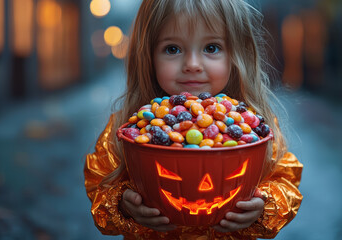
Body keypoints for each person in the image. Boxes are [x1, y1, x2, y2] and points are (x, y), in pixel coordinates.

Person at [84, 0, 303, 239]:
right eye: (172, 49)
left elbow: (286, 179)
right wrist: (123, 206)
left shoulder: (252, 125)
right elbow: (98, 185)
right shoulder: (130, 127)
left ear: (236, 54)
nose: (192, 65)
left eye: (211, 48)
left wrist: (265, 205)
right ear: (148, 56)